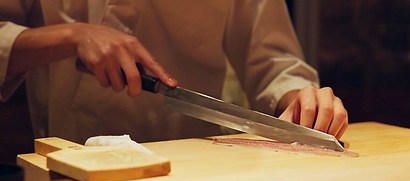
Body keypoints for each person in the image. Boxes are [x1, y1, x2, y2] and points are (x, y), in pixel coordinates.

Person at [0, 0, 348, 144]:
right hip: (64, 165)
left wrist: (305, 100)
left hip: (190, 169)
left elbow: (274, 63)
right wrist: (71, 35)